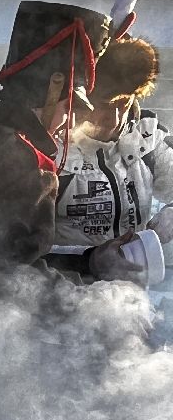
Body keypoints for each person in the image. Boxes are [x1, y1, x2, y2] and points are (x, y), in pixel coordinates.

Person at [0, 0, 150, 287]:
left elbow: (5, 258)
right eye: (70, 106)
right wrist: (89, 298)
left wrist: (89, 263)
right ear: (52, 88)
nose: (70, 121)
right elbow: (15, 281)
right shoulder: (22, 159)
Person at [56, 34, 173, 258]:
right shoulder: (51, 149)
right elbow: (19, 250)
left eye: (123, 103)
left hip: (133, 285)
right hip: (65, 283)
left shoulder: (149, 136)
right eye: (102, 105)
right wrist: (90, 260)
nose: (115, 118)